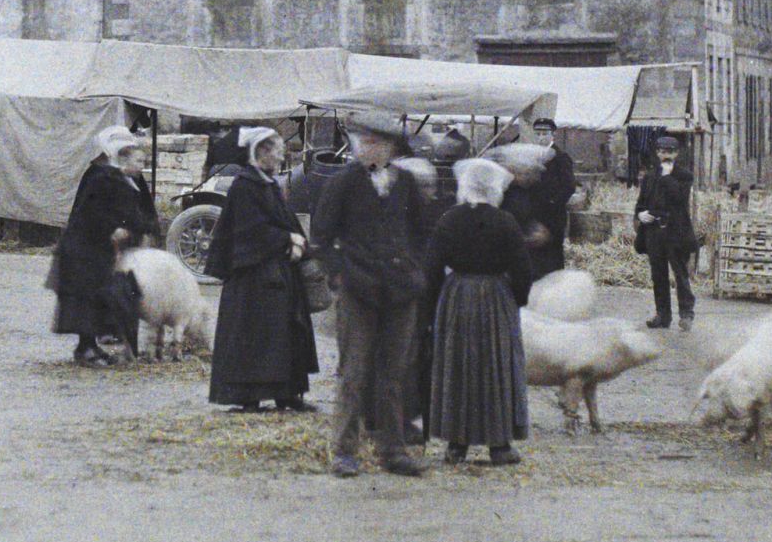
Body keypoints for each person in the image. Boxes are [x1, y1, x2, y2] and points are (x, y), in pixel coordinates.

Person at [312, 111, 433, 479]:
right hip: (358, 291)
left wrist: (414, 271)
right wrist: (340, 274)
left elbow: (422, 233)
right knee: (354, 372)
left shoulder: (406, 183)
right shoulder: (343, 182)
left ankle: (393, 450)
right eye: (362, 141)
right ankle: (345, 451)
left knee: (394, 374)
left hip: (399, 293)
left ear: (392, 148)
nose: (366, 148)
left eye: (375, 142)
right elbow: (321, 237)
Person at [425, 158, 534, 465]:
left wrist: (435, 305)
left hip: (457, 295)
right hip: (495, 296)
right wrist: (517, 298)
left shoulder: (449, 219)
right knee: (495, 366)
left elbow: (432, 266)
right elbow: (522, 268)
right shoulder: (505, 221)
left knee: (458, 365)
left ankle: (456, 445)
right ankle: (499, 445)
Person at [205, 127, 318, 413]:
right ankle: (249, 396)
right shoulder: (245, 185)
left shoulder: (267, 183)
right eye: (276, 151)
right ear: (261, 152)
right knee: (256, 336)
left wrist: (299, 242)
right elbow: (250, 229)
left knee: (283, 333)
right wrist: (287, 239)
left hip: (276, 272)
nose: (280, 157)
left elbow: (282, 220)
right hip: (252, 278)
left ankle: (287, 393)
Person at [50, 126, 159, 367]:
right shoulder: (99, 175)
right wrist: (112, 228)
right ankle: (85, 348)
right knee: (87, 297)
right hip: (85, 247)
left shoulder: (124, 177)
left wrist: (142, 228)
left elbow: (134, 209)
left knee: (104, 296)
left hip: (102, 248)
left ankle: (97, 346)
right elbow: (90, 212)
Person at [634, 136, 699, 330]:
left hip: (676, 232)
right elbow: (640, 203)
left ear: (676, 154)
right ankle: (663, 315)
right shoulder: (649, 177)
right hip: (654, 232)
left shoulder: (684, 176)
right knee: (658, 275)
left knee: (680, 274)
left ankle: (686, 314)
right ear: (657, 153)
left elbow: (679, 199)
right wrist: (641, 214)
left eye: (670, 152)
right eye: (662, 152)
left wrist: (668, 177)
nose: (665, 156)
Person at [497, 139, 568, 282]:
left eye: (532, 172)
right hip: (516, 260)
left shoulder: (542, 192)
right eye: (524, 172)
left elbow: (554, 217)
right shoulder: (505, 195)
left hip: (541, 260)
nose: (531, 176)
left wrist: (548, 232)